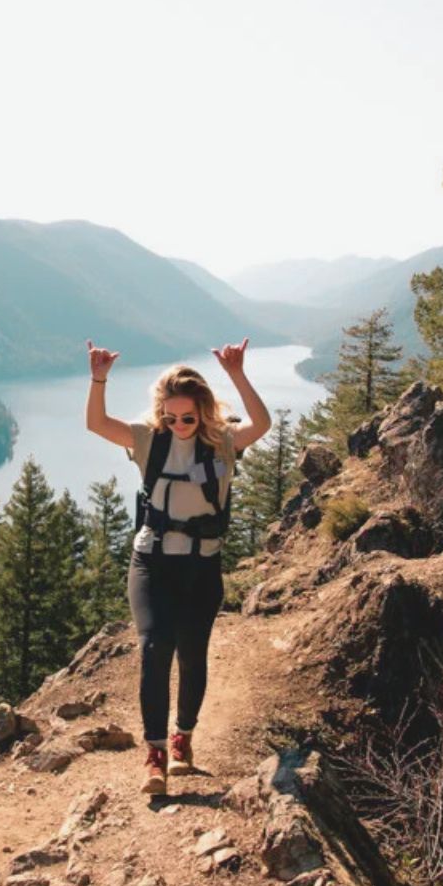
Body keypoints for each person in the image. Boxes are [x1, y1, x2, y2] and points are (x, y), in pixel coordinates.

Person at [83, 337, 271, 795]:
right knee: (154, 648)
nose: (179, 424)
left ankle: (183, 737)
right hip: (151, 562)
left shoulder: (224, 441)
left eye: (187, 417)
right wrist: (99, 377)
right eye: (171, 417)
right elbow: (96, 424)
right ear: (161, 413)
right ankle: (155, 755)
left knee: (192, 653)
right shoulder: (149, 439)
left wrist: (237, 374)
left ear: (203, 411)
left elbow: (262, 423)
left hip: (202, 569)